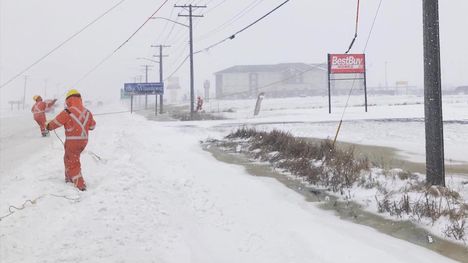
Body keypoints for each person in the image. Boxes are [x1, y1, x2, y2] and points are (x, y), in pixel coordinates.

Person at [46, 89, 96, 191]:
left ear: (68, 100)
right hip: (83, 141)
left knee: (73, 162)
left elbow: (55, 123)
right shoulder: (87, 112)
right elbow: (92, 126)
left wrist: (48, 126)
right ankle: (69, 178)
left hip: (73, 142)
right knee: (68, 158)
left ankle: (80, 185)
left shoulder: (67, 111)